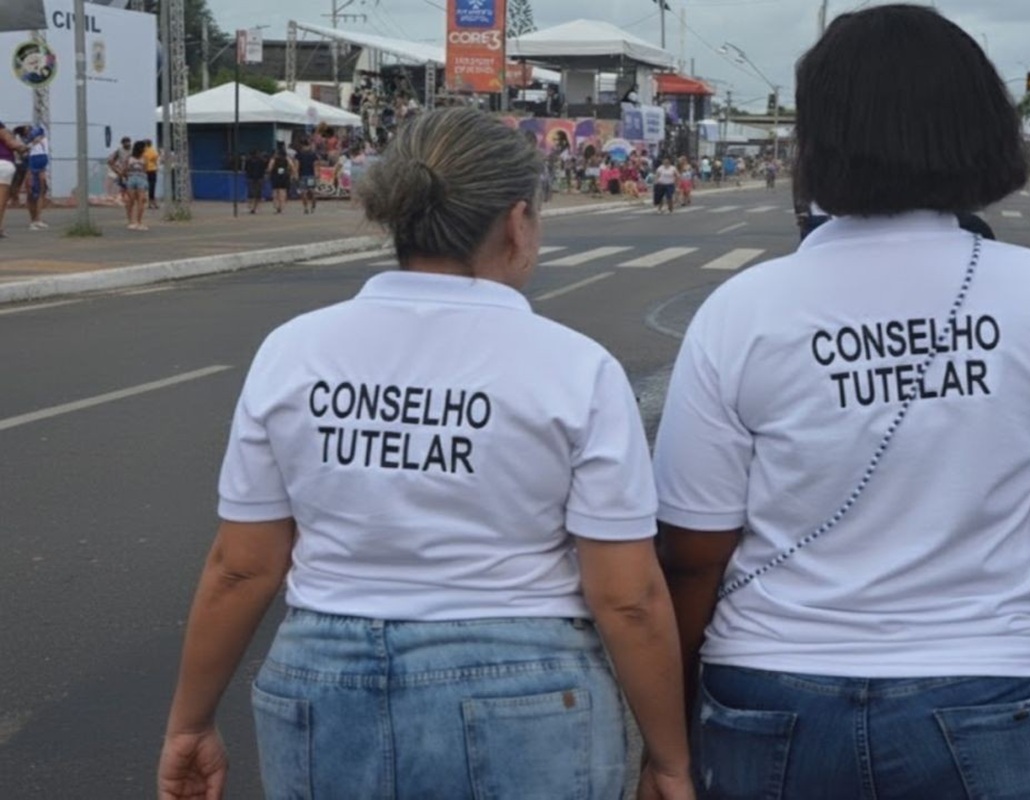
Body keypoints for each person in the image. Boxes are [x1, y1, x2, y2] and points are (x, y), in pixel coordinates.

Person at [653, 6, 1030, 799]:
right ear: (980, 128)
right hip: (995, 689)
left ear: (817, 141)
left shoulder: (744, 310)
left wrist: (669, 741)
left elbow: (690, 556)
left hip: (771, 691)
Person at [157, 107, 694, 800]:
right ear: (518, 222)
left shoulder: (294, 350)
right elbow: (627, 597)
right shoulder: (575, 367)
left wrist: (189, 723)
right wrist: (669, 759)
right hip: (523, 688)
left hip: (321, 683)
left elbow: (241, 568)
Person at [0, 120, 30, 238]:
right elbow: (13, 144)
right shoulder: (3, 131)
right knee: (1, 200)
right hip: (3, 164)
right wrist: (24, 147)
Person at [24, 126, 50, 230]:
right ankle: (33, 220)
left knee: (41, 192)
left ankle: (38, 219)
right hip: (33, 167)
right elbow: (25, 147)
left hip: (41, 167)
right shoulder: (30, 145)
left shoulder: (43, 141)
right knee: (33, 192)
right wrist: (32, 141)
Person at [122, 140, 151, 231]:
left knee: (136, 201)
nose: (145, 149)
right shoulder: (141, 157)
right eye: (144, 147)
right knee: (136, 201)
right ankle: (136, 222)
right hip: (138, 178)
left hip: (134, 178)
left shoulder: (132, 158)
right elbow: (145, 169)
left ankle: (134, 222)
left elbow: (125, 169)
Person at [108, 137, 133, 220]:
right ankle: (126, 202)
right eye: (125, 143)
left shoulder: (133, 150)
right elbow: (110, 161)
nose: (127, 144)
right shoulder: (119, 151)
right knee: (124, 188)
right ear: (122, 144)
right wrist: (117, 171)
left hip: (133, 172)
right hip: (123, 173)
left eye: (128, 142)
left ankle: (131, 202)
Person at [295, 140, 320, 214]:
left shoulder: (298, 155)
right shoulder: (313, 154)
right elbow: (316, 165)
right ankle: (313, 203)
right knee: (312, 190)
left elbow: (297, 165)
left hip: (302, 175)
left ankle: (306, 208)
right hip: (311, 175)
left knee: (303, 192)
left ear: (302, 146)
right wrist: (317, 174)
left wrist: (296, 175)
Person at [266, 144, 293, 214]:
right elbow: (291, 166)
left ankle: (276, 205)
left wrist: (268, 173)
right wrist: (289, 172)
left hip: (275, 176)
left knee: (275, 191)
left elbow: (269, 168)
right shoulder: (287, 159)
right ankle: (282, 206)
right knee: (283, 191)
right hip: (284, 176)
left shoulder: (274, 159)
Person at [243, 149, 267, 214]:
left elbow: (245, 169)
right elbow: (264, 169)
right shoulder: (261, 161)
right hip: (259, 178)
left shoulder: (248, 161)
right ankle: (256, 207)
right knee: (258, 193)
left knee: (250, 193)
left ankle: (250, 206)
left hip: (250, 178)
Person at [144, 139, 160, 210]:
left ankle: (150, 203)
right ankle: (152, 202)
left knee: (146, 187)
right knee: (152, 186)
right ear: (151, 144)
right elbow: (156, 160)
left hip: (144, 170)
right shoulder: (153, 151)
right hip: (152, 169)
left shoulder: (143, 151)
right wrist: (157, 167)